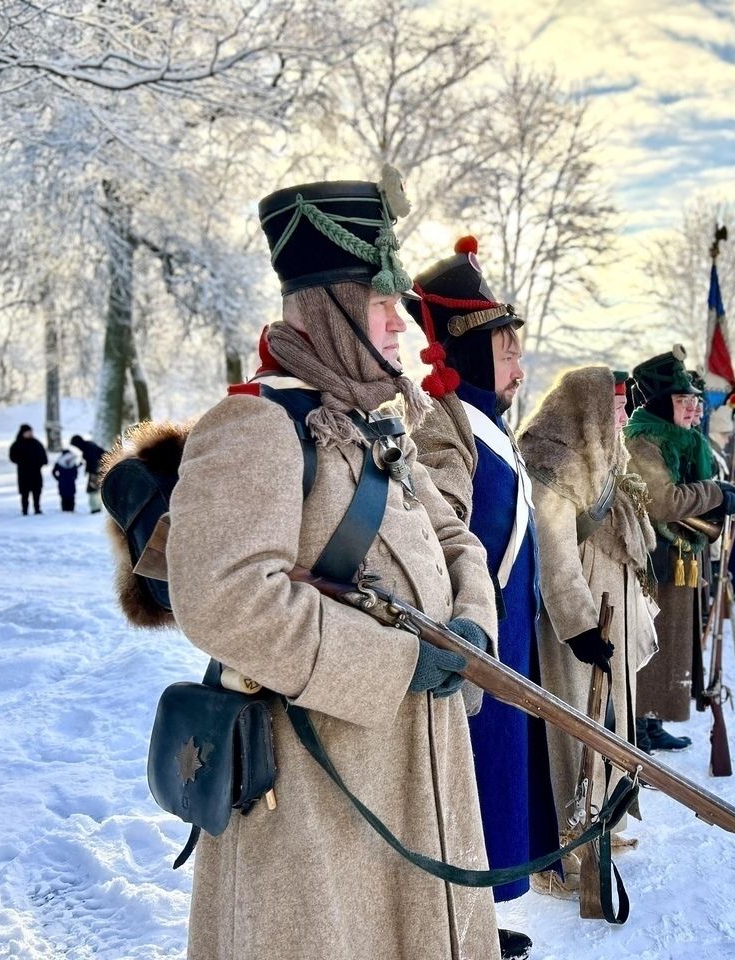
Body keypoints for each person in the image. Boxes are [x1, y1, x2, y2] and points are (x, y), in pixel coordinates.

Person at [165, 177, 503, 960]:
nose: (402, 325)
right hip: (316, 794)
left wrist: (472, 629)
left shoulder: (380, 421)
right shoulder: (255, 423)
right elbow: (225, 601)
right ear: (329, 308)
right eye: (381, 304)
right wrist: (396, 662)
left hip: (424, 769)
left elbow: (458, 541)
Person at [404, 237, 553, 956]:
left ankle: (473, 924)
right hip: (477, 637)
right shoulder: (446, 423)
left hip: (511, 634)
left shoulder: (490, 423)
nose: (521, 367)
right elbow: (445, 525)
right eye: (509, 351)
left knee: (490, 787)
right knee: (465, 787)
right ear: (467, 354)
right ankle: (457, 928)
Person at [519, 366, 657, 897]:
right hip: (577, 616)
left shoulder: (608, 456)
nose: (623, 415)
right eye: (616, 406)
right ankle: (566, 851)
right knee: (575, 726)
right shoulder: (554, 459)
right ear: (591, 409)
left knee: (612, 719)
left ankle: (603, 822)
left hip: (612, 605)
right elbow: (555, 554)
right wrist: (578, 624)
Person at [624, 346, 735, 751]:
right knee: (651, 640)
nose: (692, 408)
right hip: (654, 557)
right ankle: (637, 723)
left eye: (693, 400)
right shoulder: (644, 440)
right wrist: (715, 493)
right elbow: (662, 501)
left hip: (678, 555)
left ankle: (652, 720)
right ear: (659, 402)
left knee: (672, 643)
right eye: (682, 399)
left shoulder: (679, 440)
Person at [8, 424, 48, 515]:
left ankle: (37, 508)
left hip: (36, 471)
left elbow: (43, 455)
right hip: (23, 472)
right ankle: (24, 509)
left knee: (36, 491)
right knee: (24, 493)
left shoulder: (36, 443)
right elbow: (12, 456)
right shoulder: (17, 444)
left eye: (31, 432)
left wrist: (41, 462)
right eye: (28, 432)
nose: (30, 434)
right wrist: (22, 461)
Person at [70, 434, 107, 514]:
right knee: (93, 489)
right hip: (97, 470)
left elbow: (94, 460)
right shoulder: (87, 445)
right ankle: (96, 507)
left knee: (93, 489)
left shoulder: (88, 447)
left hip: (96, 471)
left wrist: (94, 472)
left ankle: (96, 508)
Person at [51, 448, 80, 513]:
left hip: (62, 482)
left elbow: (53, 471)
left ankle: (65, 509)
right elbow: (75, 472)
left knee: (64, 496)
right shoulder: (72, 462)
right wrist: (74, 477)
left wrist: (58, 478)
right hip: (71, 482)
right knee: (71, 496)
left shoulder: (59, 462)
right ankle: (71, 509)